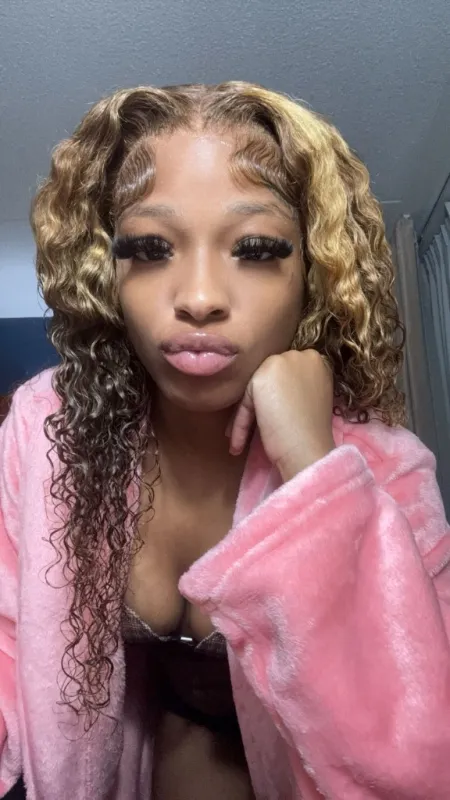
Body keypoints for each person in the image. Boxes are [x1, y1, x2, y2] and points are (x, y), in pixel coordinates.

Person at [1, 81, 449, 800]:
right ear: (107, 272)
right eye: (151, 248)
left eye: (254, 248)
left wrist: (315, 475)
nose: (200, 296)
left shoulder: (384, 466)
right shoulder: (48, 429)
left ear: (315, 274)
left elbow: (420, 757)